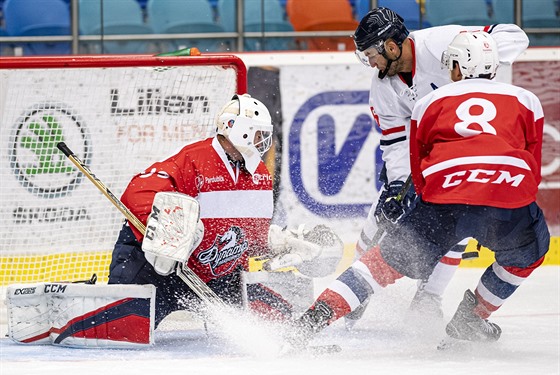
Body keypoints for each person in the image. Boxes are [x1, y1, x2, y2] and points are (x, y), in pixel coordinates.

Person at [291, 30, 549, 346]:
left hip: (443, 200)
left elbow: (418, 164)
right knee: (529, 251)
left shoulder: (427, 102)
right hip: (506, 198)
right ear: (493, 67)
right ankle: (472, 318)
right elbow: (532, 164)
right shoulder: (527, 99)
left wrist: (433, 201)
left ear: (456, 67)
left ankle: (308, 323)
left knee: (378, 266)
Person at [343, 7, 530, 326]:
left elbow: (515, 35)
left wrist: (480, 56)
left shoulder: (442, 43)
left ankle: (428, 297)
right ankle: (353, 288)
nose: (370, 63)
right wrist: (395, 189)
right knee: (382, 213)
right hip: (423, 152)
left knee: (453, 222)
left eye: (371, 54)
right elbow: (395, 141)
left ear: (391, 46)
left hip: (467, 152)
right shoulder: (383, 87)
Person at [108, 94, 343, 328]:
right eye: (257, 132)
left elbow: (244, 237)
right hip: (153, 269)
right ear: (237, 129)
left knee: (276, 321)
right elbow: (138, 190)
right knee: (119, 328)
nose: (263, 140)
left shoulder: (260, 175)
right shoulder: (195, 158)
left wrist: (277, 244)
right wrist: (167, 229)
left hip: (213, 276)